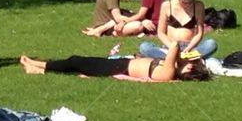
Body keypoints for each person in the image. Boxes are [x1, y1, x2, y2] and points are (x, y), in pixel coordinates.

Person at [20, 41, 211, 82]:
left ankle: (38, 67)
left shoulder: (168, 72)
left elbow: (175, 46)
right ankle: (39, 67)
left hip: (118, 67)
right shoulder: (171, 72)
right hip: (121, 63)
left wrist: (185, 56)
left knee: (75, 60)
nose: (189, 63)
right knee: (77, 63)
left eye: (190, 66)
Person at [139, 0, 218, 60]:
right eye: (183, 2)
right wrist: (172, 48)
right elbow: (160, 33)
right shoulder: (167, 5)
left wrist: (189, 48)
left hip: (190, 47)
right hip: (170, 47)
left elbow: (199, 33)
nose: (187, 5)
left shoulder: (198, 6)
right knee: (144, 47)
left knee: (211, 44)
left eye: (190, 2)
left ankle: (175, 60)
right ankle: (181, 60)